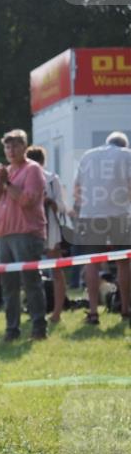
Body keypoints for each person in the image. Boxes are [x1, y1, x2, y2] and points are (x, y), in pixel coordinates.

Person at [0, 129, 48, 341]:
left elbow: (27, 200)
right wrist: (1, 183)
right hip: (3, 233)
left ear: (24, 147)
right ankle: (12, 329)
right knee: (8, 285)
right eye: (7, 147)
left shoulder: (33, 170)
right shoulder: (5, 171)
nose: (11, 150)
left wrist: (7, 184)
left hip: (26, 232)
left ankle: (39, 327)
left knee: (31, 281)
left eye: (16, 146)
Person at [73, 130, 131, 324]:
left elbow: (77, 189)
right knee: (124, 263)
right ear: (124, 145)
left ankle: (93, 312)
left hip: (91, 215)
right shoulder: (127, 156)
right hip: (119, 215)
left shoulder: (88, 155)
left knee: (92, 263)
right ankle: (125, 308)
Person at [26, 145, 69, 322]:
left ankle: (57, 311)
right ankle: (35, 310)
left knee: (56, 271)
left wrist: (49, 201)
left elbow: (62, 206)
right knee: (30, 272)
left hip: (50, 228)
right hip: (29, 228)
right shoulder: (24, 177)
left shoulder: (52, 179)